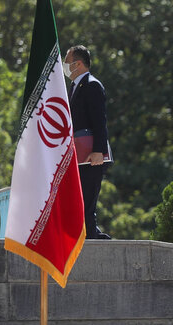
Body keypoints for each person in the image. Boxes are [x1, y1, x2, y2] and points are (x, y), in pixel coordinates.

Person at [64, 45, 111, 239]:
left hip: (91, 154)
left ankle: (91, 236)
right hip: (78, 154)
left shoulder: (92, 85)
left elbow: (99, 120)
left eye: (67, 63)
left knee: (88, 197)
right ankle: (89, 233)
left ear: (79, 64)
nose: (65, 67)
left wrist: (99, 150)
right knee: (79, 198)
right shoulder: (75, 87)